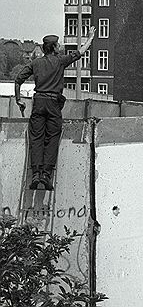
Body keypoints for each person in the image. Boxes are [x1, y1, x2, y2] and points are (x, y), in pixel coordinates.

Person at [15, 27, 96, 190]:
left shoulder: (35, 63)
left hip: (38, 103)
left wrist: (19, 100)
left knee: (36, 138)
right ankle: (46, 174)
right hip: (53, 104)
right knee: (52, 138)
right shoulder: (60, 61)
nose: (59, 47)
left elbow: (18, 81)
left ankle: (36, 174)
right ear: (53, 47)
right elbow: (80, 52)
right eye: (57, 45)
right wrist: (90, 38)